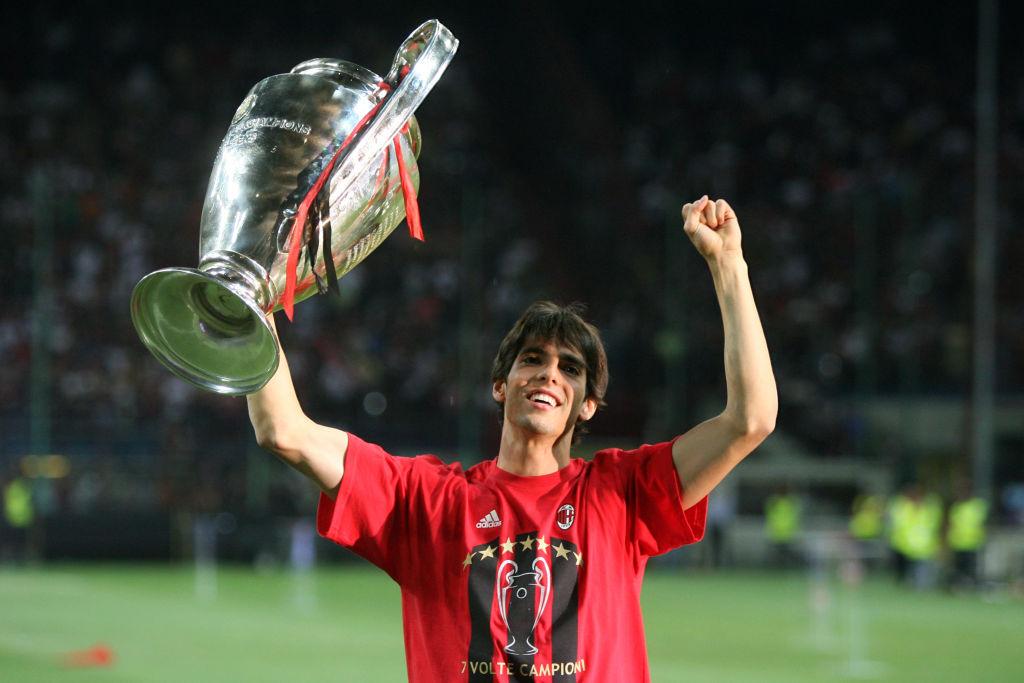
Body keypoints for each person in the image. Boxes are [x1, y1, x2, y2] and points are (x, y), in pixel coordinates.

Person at [247, 195, 777, 682]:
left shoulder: (621, 492)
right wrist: (253, 302)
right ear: (501, 385)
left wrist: (728, 265)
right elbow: (284, 431)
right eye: (533, 359)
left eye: (570, 369)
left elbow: (751, 419)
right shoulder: (427, 500)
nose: (549, 374)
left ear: (587, 404)